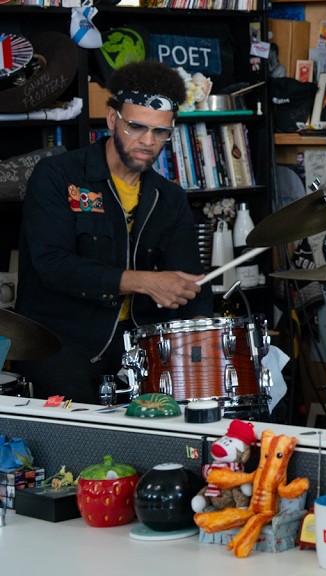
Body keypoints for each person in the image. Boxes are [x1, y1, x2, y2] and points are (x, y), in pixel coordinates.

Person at [15, 61, 211, 403]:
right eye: (136, 127)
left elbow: (189, 282)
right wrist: (146, 281)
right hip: (61, 340)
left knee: (190, 412)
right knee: (80, 423)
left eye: (160, 131)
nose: (148, 141)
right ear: (112, 120)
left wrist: (202, 338)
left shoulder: (170, 197)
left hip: (140, 343)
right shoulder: (57, 176)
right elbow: (52, 264)